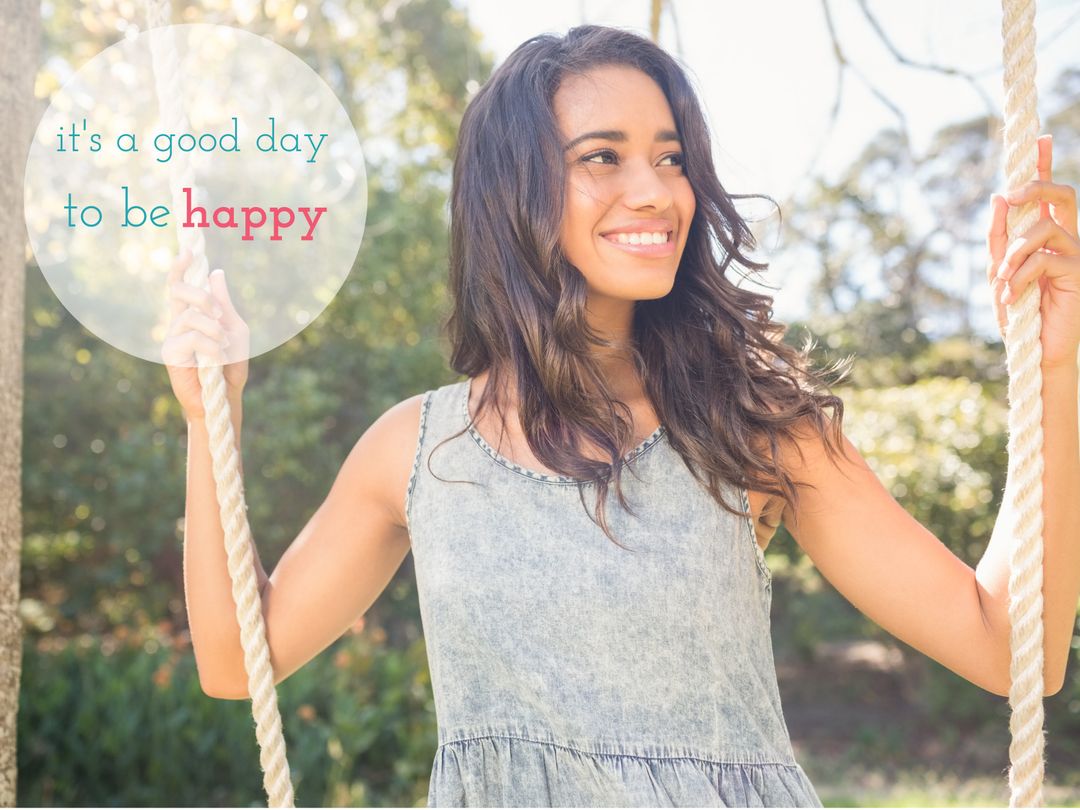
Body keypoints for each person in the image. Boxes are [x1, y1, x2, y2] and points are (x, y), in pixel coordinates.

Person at [162, 24, 1080, 809]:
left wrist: (1057, 373)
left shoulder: (752, 422)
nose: (657, 191)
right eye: (602, 156)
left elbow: (1010, 652)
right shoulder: (416, 451)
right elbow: (237, 664)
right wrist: (214, 423)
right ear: (513, 191)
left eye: (670, 157)